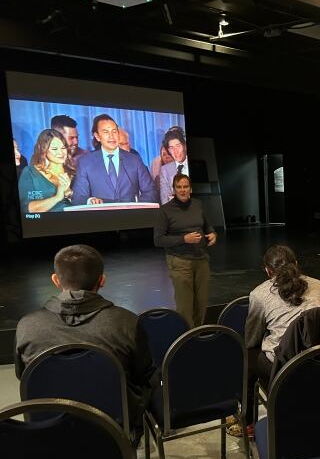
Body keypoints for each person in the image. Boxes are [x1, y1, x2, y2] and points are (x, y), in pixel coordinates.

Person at [14, 244, 155, 440]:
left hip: (49, 430)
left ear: (55, 280)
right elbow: (143, 374)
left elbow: (24, 375)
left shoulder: (27, 326)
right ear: (102, 280)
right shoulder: (127, 322)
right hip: (113, 428)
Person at [239, 245, 320, 436]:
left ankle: (248, 422)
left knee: (248, 354)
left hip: (285, 367)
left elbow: (251, 338)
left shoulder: (260, 294)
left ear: (268, 271)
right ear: (296, 264)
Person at [153, 173, 216, 327]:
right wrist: (183, 239)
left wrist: (213, 233)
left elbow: (207, 225)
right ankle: (187, 338)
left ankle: (198, 332)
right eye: (179, 187)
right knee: (185, 305)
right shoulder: (165, 210)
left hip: (201, 259)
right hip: (179, 261)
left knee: (201, 303)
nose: (182, 190)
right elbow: (158, 240)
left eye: (185, 187)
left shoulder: (197, 205)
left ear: (190, 189)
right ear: (173, 189)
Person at [71, 114, 158, 205]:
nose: (111, 136)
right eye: (106, 132)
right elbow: (78, 197)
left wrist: (136, 207)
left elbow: (150, 191)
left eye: (114, 132)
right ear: (97, 136)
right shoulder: (86, 162)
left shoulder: (134, 160)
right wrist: (90, 201)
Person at [17, 128, 75, 213]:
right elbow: (27, 209)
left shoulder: (74, 172)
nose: (61, 153)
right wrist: (57, 197)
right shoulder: (30, 173)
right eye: (54, 149)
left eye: (63, 148)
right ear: (44, 150)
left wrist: (69, 195)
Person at [158, 127, 189, 204]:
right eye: (171, 148)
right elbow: (165, 200)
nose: (175, 151)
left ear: (184, 146)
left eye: (178, 146)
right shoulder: (165, 170)